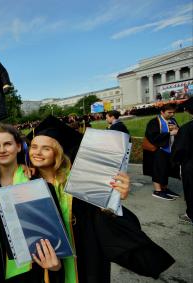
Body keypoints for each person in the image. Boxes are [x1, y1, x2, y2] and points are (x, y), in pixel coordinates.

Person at [26, 115, 175, 283]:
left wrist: (114, 200)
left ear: (58, 152)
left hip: (87, 251)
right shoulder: (27, 185)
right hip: (49, 259)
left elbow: (104, 216)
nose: (37, 152)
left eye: (46, 148)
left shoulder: (81, 180)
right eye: (34, 146)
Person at [0, 124, 62, 282]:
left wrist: (56, 265)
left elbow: (53, 230)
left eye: (8, 144)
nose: (2, 150)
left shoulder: (36, 182)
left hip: (34, 267)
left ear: (18, 147)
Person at [143, 104, 180, 200]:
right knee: (158, 170)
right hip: (158, 150)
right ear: (162, 112)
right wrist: (169, 133)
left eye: (173, 112)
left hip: (170, 150)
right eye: (169, 112)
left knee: (166, 170)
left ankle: (164, 189)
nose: (172, 114)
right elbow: (152, 137)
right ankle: (157, 190)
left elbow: (177, 132)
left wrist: (177, 131)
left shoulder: (173, 120)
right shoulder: (154, 122)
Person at [172, 97, 193, 225]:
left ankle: (190, 215)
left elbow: (179, 150)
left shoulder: (186, 129)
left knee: (191, 189)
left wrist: (175, 161)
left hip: (190, 164)